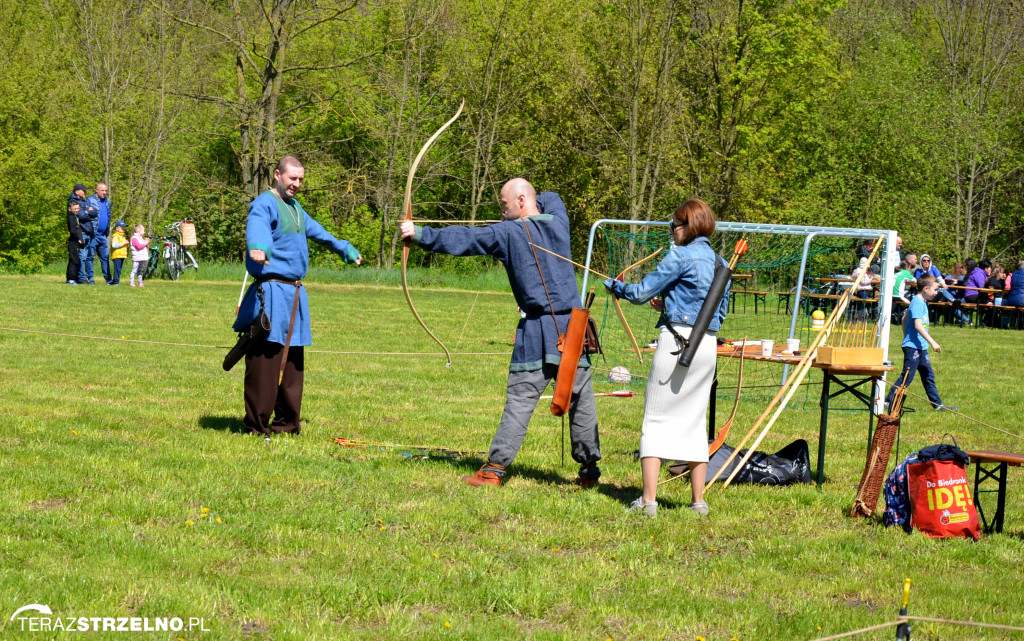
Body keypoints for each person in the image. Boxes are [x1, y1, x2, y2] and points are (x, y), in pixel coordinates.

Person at [399, 178, 602, 487]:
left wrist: (421, 234)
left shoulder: (508, 232)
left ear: (521, 200)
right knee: (581, 399)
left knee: (521, 399)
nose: (500, 211)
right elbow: (552, 194)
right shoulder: (559, 220)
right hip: (573, 328)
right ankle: (589, 472)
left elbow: (466, 238)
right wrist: (526, 205)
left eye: (504, 205)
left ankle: (494, 471)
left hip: (537, 330)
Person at [604, 198, 729, 517]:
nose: (671, 232)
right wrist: (671, 304)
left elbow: (641, 292)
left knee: (655, 419)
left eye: (674, 226)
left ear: (690, 226)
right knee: (695, 421)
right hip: (705, 347)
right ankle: (698, 502)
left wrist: (616, 287)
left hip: (675, 344)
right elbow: (719, 311)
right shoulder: (721, 262)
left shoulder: (680, 255)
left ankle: (648, 501)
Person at [234, 156, 362, 437]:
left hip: (294, 294)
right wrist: (258, 246)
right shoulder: (265, 203)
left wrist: (344, 248)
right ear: (277, 175)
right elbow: (257, 224)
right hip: (271, 293)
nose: (297, 184)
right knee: (265, 362)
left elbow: (320, 233)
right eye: (292, 178)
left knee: (292, 363)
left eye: (301, 179)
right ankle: (256, 426)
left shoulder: (295, 209)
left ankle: (287, 424)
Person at [885, 275, 956, 412]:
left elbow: (904, 318)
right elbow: (918, 325)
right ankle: (888, 401)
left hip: (921, 348)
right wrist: (933, 342)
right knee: (907, 377)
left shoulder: (921, 302)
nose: (936, 292)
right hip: (913, 348)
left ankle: (937, 405)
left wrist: (906, 335)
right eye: (935, 289)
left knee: (928, 377)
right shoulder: (917, 302)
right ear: (925, 288)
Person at [69, 184, 98, 284]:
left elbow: (95, 212)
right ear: (77, 192)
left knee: (87, 256)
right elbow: (81, 215)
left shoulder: (83, 201)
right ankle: (81, 277)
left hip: (88, 231)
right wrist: (87, 211)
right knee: (82, 256)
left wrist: (86, 211)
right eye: (83, 191)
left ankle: (86, 277)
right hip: (82, 232)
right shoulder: (73, 201)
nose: (85, 192)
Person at [87, 182, 113, 284]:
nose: (104, 192)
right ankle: (90, 278)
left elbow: (109, 216)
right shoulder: (90, 200)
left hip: (103, 235)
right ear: (97, 190)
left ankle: (108, 279)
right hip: (93, 235)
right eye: (102, 190)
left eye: (106, 190)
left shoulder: (107, 201)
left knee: (105, 258)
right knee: (90, 257)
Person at [66, 200, 84, 284]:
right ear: (70, 209)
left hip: (75, 241)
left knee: (73, 259)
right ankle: (71, 279)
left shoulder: (75, 217)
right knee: (74, 260)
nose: (76, 210)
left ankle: (70, 278)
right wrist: (78, 239)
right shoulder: (71, 217)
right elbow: (73, 230)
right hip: (73, 241)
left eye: (77, 208)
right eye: (74, 208)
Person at [109, 220, 129, 285]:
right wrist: (123, 243)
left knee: (119, 269)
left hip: (121, 255)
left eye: (124, 227)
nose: (123, 228)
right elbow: (114, 245)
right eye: (122, 227)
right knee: (117, 269)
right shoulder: (116, 236)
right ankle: (116, 281)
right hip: (117, 255)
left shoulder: (122, 236)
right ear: (117, 228)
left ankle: (116, 280)